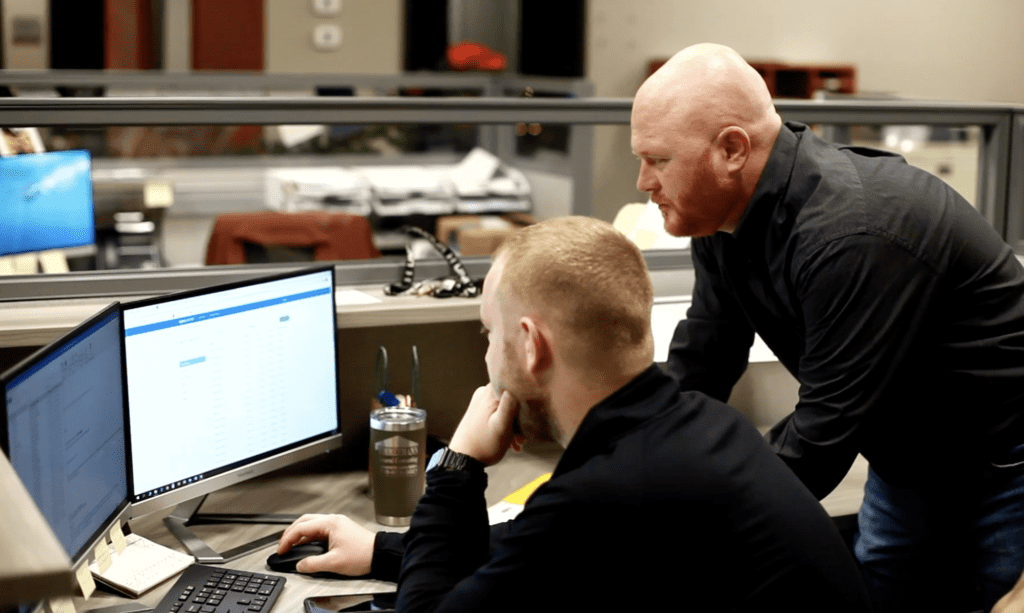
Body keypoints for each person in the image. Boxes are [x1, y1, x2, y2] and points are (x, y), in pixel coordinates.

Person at [277, 216, 871, 612]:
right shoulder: (701, 425)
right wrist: (382, 550)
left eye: (489, 334)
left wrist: (456, 467)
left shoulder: (609, 493)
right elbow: (528, 547)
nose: (487, 356)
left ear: (532, 346)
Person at [631, 42, 1024, 613]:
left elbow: (820, 434)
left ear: (732, 150)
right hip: (905, 455)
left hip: (1001, 462)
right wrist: (628, 460)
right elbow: (706, 358)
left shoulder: (850, 232)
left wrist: (694, 517)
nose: (643, 180)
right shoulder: (720, 221)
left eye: (659, 160)